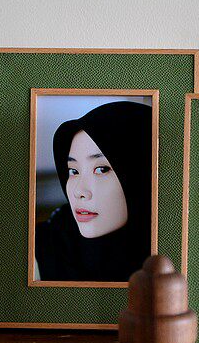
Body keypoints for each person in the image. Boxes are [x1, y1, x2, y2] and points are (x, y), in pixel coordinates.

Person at [34, 100, 152, 282]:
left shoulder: (181, 255)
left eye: (101, 169)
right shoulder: (39, 250)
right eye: (73, 171)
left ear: (142, 174)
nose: (79, 192)